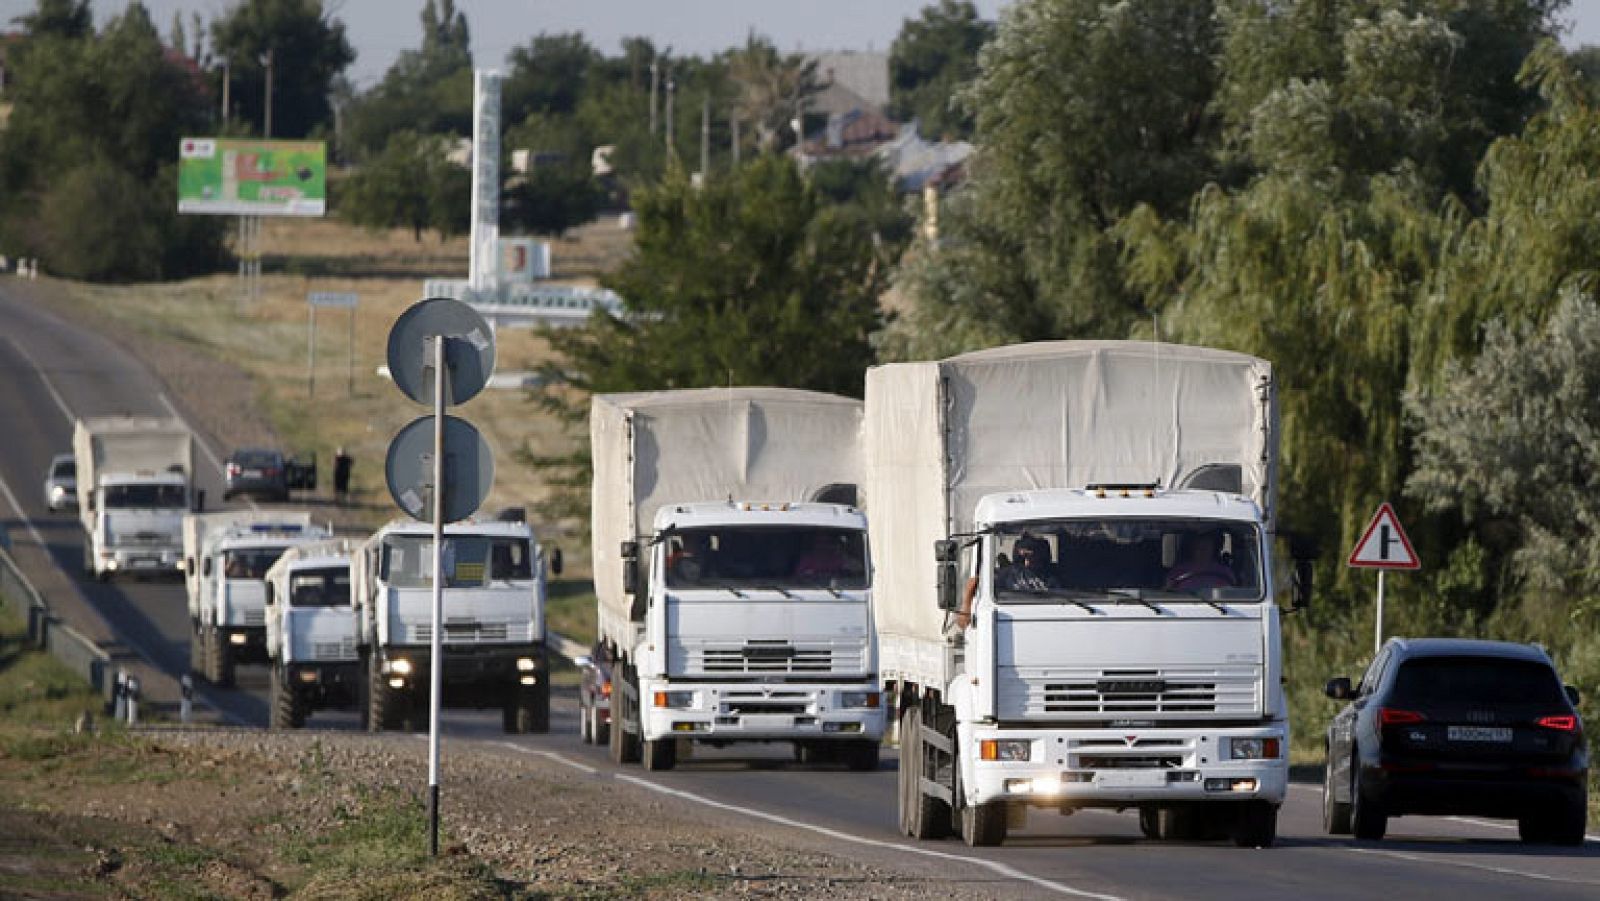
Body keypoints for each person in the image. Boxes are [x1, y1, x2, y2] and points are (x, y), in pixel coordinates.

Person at [1166, 530, 1236, 592]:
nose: (1202, 551)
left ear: (1213, 549)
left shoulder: (1224, 572)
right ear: (1193, 549)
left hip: (1217, 606)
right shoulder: (1178, 571)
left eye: (1206, 547)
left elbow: (1232, 593)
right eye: (1199, 547)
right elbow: (1167, 593)